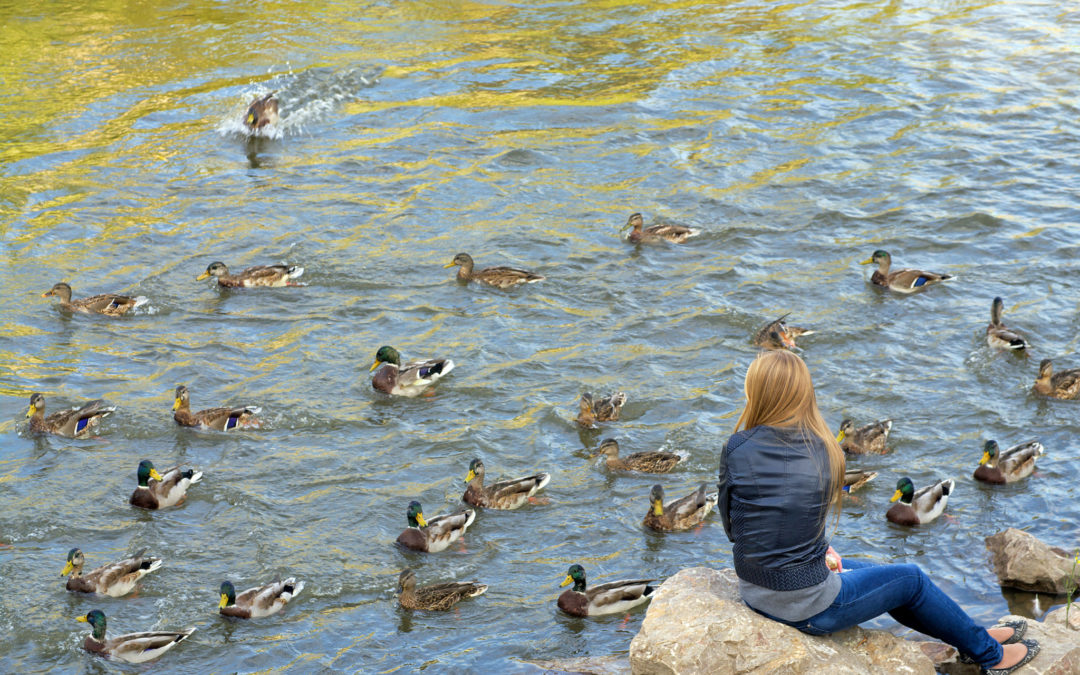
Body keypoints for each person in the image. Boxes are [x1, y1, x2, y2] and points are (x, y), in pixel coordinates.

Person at [716, 350, 1039, 674]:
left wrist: (816, 550)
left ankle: (973, 637)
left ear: (756, 391)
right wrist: (813, 551)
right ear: (803, 393)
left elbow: (736, 527)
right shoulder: (823, 451)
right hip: (805, 607)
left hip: (754, 590)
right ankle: (991, 657)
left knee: (886, 577)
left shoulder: (736, 447)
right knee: (909, 579)